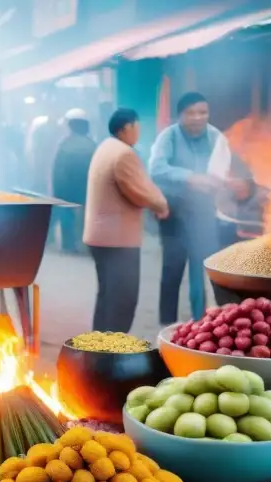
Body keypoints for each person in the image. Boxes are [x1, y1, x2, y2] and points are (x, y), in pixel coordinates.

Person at [151, 92, 250, 328]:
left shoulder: (216, 137)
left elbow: (218, 173)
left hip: (204, 210)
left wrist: (229, 183)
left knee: (201, 265)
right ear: (180, 115)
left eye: (202, 112)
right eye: (191, 113)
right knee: (172, 266)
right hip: (173, 209)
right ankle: (166, 323)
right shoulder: (169, 136)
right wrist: (190, 177)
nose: (197, 118)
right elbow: (156, 168)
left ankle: (199, 322)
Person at [83, 108, 169, 333]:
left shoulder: (106, 146)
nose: (138, 131)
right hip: (117, 239)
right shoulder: (124, 154)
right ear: (127, 128)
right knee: (123, 300)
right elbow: (139, 190)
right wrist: (161, 205)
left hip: (100, 236)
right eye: (137, 126)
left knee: (107, 297)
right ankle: (111, 353)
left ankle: (97, 349)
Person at [51, 108, 96, 253]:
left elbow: (58, 169)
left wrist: (56, 190)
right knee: (88, 214)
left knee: (66, 213)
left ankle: (68, 245)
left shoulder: (64, 144)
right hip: (87, 186)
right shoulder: (92, 145)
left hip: (66, 186)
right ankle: (87, 244)